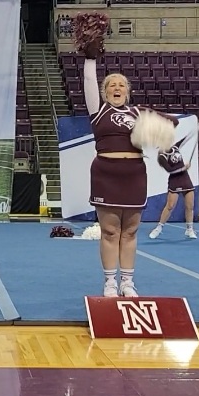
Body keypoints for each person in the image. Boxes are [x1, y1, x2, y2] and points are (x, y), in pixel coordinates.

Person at [82, 55, 176, 297]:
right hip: (106, 175)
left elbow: (170, 123)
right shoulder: (98, 111)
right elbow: (89, 80)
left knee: (131, 231)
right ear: (104, 92)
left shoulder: (138, 113)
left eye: (121, 85)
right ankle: (110, 283)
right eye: (112, 85)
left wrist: (161, 128)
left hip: (134, 175)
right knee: (110, 231)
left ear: (128, 91)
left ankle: (127, 282)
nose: (117, 88)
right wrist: (90, 58)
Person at [148, 119, 199, 241]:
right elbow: (170, 170)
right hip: (175, 180)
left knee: (190, 205)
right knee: (170, 205)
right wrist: (183, 168)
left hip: (185, 178)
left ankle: (189, 229)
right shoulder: (161, 156)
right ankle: (158, 228)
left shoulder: (175, 147)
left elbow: (187, 138)